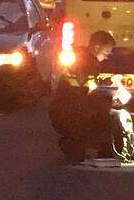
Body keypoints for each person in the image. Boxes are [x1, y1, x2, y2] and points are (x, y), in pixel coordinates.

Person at [49, 30, 116, 162]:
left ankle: (73, 142)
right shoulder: (85, 63)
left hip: (66, 110)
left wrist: (106, 84)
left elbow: (88, 85)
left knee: (99, 111)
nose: (107, 57)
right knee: (105, 115)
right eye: (105, 53)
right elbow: (84, 90)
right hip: (69, 112)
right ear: (96, 47)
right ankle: (76, 143)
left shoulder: (84, 59)